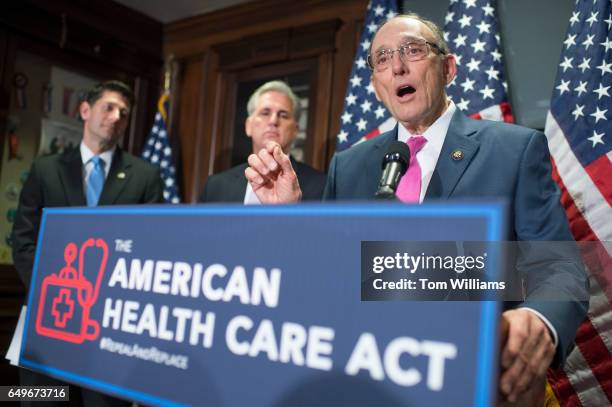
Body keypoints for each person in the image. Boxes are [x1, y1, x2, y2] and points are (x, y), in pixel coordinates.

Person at [243, 14, 588, 404]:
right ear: (376, 86)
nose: (397, 66)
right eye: (383, 58)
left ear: (449, 68)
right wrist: (290, 218)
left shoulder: (514, 150)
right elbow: (329, 278)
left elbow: (559, 267)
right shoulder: (349, 165)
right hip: (368, 381)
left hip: (475, 381)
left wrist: (539, 322)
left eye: (413, 50)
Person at [12, 80, 163, 406]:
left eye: (123, 113)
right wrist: (48, 290)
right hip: (47, 320)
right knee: (39, 401)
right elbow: (23, 240)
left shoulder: (145, 176)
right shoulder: (45, 169)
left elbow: (150, 248)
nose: (116, 117)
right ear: (85, 110)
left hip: (109, 330)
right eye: (108, 107)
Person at [199, 80, 325, 203]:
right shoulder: (215, 186)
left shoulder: (321, 185)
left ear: (295, 130)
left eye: (283, 115)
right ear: (248, 126)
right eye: (265, 113)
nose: (273, 121)